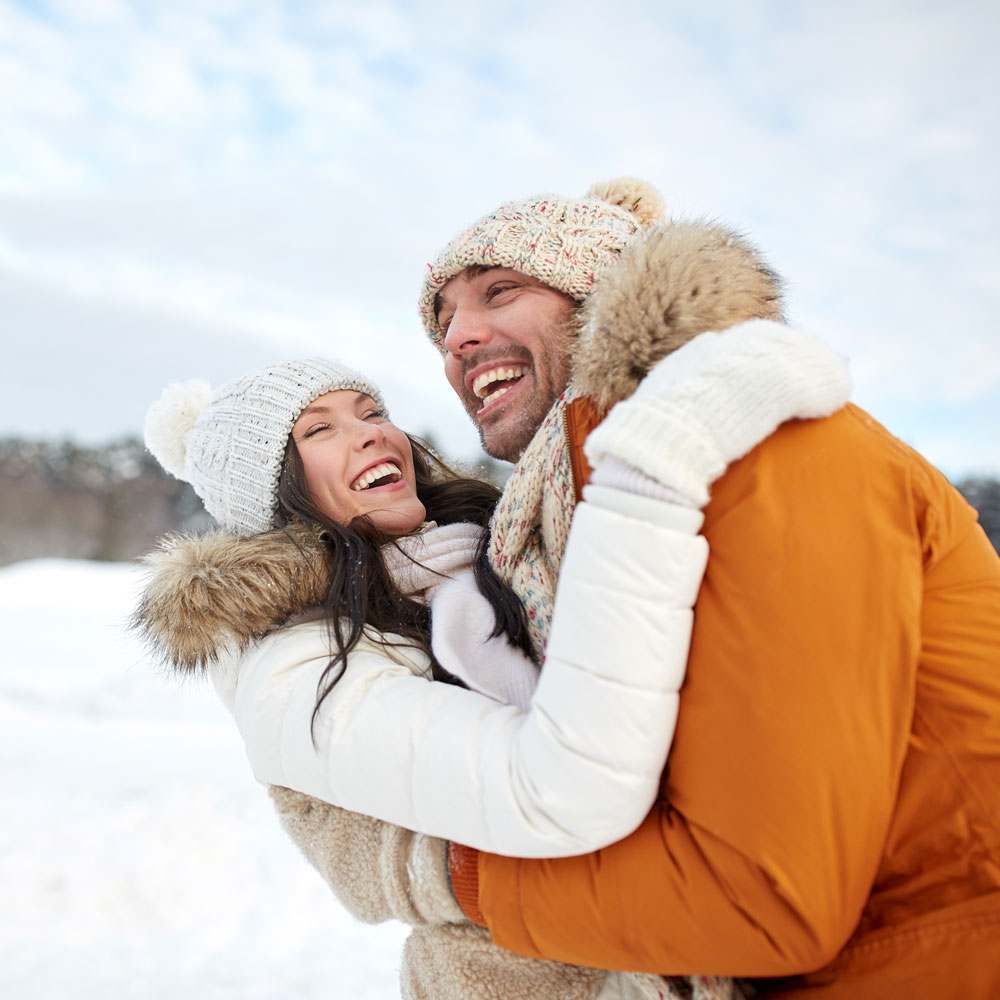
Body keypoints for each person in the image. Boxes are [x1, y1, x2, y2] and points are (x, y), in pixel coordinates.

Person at [260, 177, 999, 998]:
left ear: (599, 294)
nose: (458, 338)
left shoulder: (760, 447)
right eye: (441, 326)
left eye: (498, 291)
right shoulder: (561, 524)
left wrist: (445, 876)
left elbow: (764, 898)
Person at [136, 347, 847, 1000]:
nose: (373, 434)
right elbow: (543, 784)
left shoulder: (488, 552)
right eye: (319, 431)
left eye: (372, 411)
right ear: (274, 495)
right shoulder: (292, 664)